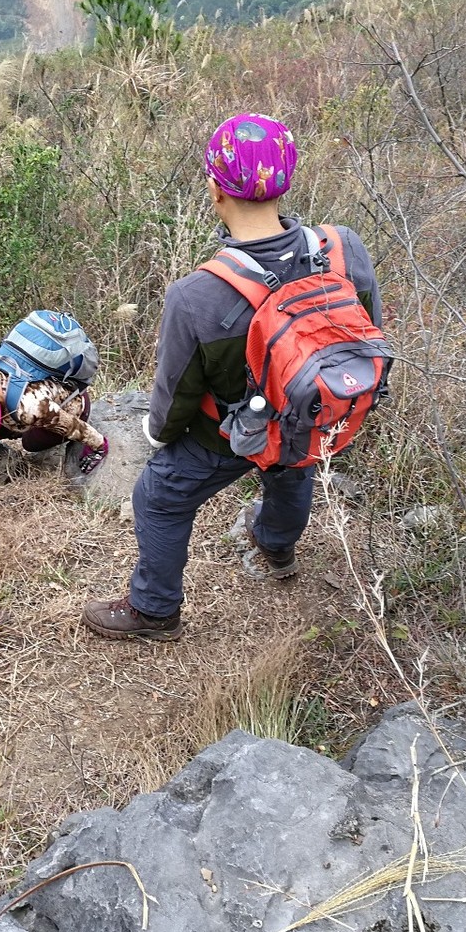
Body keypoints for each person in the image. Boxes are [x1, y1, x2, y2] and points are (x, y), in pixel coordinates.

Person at [82, 113, 382, 640]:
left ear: (216, 190)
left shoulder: (196, 294)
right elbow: (368, 330)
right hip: (311, 411)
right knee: (292, 462)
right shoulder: (342, 247)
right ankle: (275, 545)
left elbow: (177, 394)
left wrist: (159, 435)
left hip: (225, 436)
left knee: (158, 497)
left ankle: (154, 611)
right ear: (286, 179)